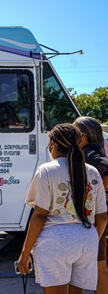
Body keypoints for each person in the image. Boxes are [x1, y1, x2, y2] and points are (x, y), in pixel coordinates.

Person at [18, 123, 107, 294]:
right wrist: (90, 238)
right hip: (86, 240)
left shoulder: (47, 170)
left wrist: (25, 252)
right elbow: (102, 217)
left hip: (55, 242)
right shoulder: (93, 172)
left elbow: (39, 215)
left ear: (54, 144)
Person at [73, 116, 108, 293]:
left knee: (93, 265)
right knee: (98, 264)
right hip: (97, 217)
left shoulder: (88, 154)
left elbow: (104, 168)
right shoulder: (95, 150)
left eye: (74, 133)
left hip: (94, 218)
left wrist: (101, 189)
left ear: (83, 136)